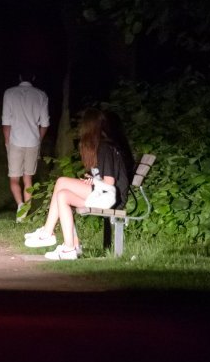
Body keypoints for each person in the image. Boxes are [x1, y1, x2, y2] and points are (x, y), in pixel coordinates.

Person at [23, 107, 133, 260]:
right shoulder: (103, 146)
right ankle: (67, 243)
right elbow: (104, 180)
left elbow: (109, 183)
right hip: (104, 194)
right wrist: (92, 181)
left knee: (62, 185)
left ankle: (55, 238)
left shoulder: (105, 148)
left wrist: (94, 181)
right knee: (62, 192)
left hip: (112, 200)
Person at [1, 71, 50, 221]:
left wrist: (7, 141)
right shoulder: (41, 95)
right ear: (33, 77)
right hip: (33, 141)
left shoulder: (9, 93)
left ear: (19, 77)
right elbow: (45, 123)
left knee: (14, 178)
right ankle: (25, 212)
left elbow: (6, 122)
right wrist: (39, 139)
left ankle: (20, 205)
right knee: (28, 179)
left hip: (15, 140)